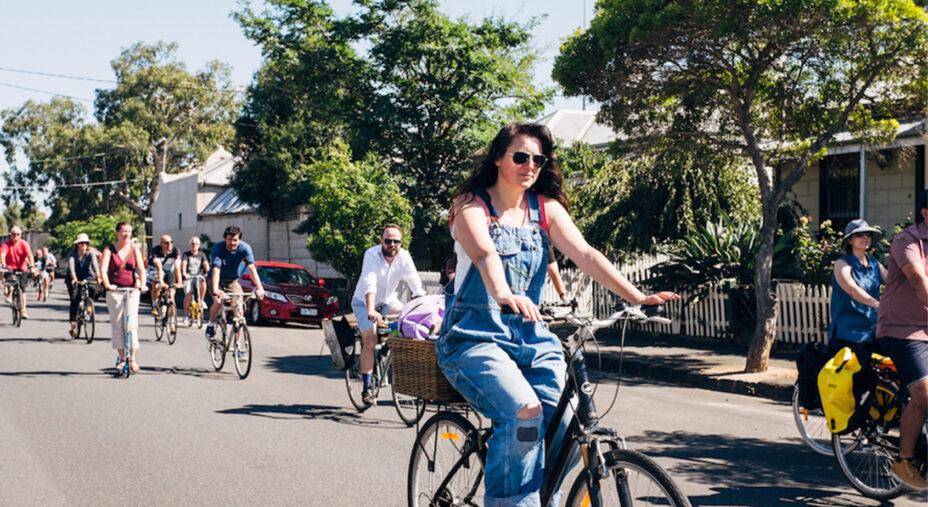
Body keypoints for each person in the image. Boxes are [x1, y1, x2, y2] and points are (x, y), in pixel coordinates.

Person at [437, 122, 677, 506]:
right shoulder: (471, 206)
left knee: (565, 422)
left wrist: (637, 297)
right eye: (520, 156)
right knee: (524, 412)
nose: (529, 165)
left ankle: (543, 498)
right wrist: (502, 294)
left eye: (537, 159)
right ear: (499, 159)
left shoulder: (544, 209)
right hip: (474, 337)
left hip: (531, 339)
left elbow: (585, 255)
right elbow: (485, 254)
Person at [877, 189, 928, 490]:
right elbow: (919, 284)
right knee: (923, 394)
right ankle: (904, 460)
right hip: (902, 330)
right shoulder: (906, 240)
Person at [352, 224, 425, 406]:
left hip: (388, 301)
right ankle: (367, 388)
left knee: (409, 319)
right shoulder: (371, 254)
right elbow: (369, 282)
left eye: (396, 241)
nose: (392, 244)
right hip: (364, 302)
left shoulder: (404, 256)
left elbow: (415, 283)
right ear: (381, 241)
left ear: (401, 242)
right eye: (388, 241)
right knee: (370, 339)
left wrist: (422, 306)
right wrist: (370, 310)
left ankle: (387, 348)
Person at [827, 219, 887, 363]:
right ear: (850, 241)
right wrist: (878, 305)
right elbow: (852, 289)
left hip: (873, 331)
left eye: (868, 234)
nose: (865, 237)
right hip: (848, 333)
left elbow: (894, 282)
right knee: (854, 380)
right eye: (860, 234)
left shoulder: (875, 264)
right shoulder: (842, 264)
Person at [100, 222, 148, 373]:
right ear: (117, 233)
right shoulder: (109, 250)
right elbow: (103, 269)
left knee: (131, 324)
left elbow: (141, 269)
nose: (126, 234)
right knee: (118, 324)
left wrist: (143, 284)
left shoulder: (134, 250)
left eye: (129, 232)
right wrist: (108, 285)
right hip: (115, 291)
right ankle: (122, 358)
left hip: (132, 291)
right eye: (123, 231)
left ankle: (132, 358)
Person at [205, 226, 265, 340]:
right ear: (225, 239)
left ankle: (238, 345)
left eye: (235, 240)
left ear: (240, 240)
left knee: (239, 311)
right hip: (215, 279)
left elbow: (251, 267)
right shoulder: (218, 247)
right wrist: (216, 290)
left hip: (232, 280)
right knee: (218, 302)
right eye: (229, 239)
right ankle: (211, 325)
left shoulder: (245, 248)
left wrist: (259, 287)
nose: (232, 243)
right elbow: (216, 269)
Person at [66, 233, 101, 337]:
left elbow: (95, 265)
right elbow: (71, 267)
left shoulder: (90, 253)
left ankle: (88, 306)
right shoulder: (72, 253)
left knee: (93, 290)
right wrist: (74, 279)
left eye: (85, 243)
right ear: (77, 244)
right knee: (75, 298)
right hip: (73, 277)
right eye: (81, 243)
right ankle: (73, 325)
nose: (83, 245)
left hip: (87, 276)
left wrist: (98, 277)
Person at [1, 226, 34, 318]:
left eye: (18, 234)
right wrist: (3, 265)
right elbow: (2, 254)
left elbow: (30, 255)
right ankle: (9, 292)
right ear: (10, 235)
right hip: (10, 267)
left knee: (23, 290)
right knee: (8, 279)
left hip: (22, 268)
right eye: (13, 234)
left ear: (21, 235)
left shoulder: (24, 244)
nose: (15, 236)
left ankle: (23, 310)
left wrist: (31, 265)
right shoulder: (6, 244)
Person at [149, 235, 182, 322]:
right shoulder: (156, 250)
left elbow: (177, 268)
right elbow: (159, 268)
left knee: (170, 295)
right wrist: (161, 282)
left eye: (171, 242)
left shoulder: (175, 251)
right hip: (156, 269)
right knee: (156, 286)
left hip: (169, 272)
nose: (169, 244)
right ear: (161, 244)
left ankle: (171, 320)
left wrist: (179, 282)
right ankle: (155, 304)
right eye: (166, 243)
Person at [181, 237, 209, 327]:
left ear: (199, 245)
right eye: (193, 244)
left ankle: (201, 300)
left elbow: (206, 265)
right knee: (189, 294)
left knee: (203, 282)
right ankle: (185, 316)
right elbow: (184, 264)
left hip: (198, 277)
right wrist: (185, 273)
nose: (194, 246)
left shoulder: (202, 255)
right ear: (190, 245)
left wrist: (207, 272)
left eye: (196, 244)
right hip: (189, 277)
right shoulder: (186, 255)